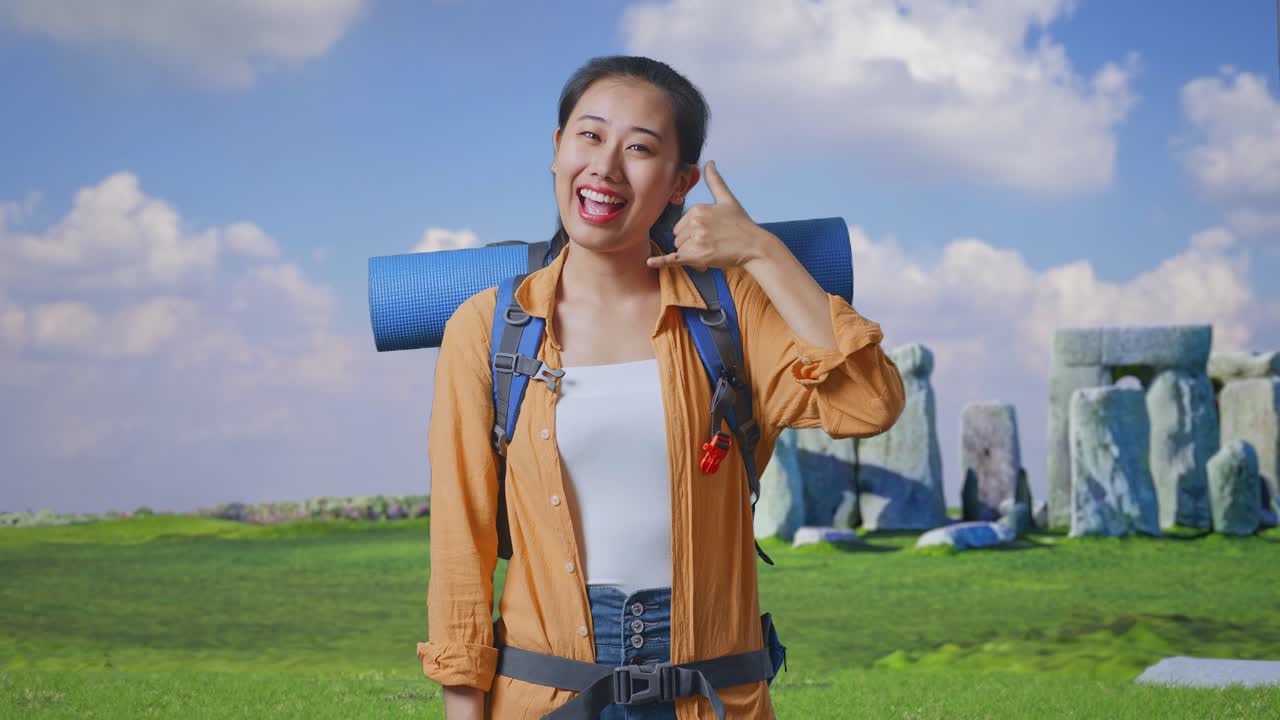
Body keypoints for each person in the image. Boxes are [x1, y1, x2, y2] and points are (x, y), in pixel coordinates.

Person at [418, 55, 906, 719]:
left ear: (680, 184)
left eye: (640, 148)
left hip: (712, 694)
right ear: (556, 151)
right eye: (588, 136)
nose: (606, 168)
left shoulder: (729, 310)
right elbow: (460, 544)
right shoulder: (486, 329)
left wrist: (761, 251)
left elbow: (870, 404)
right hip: (545, 693)